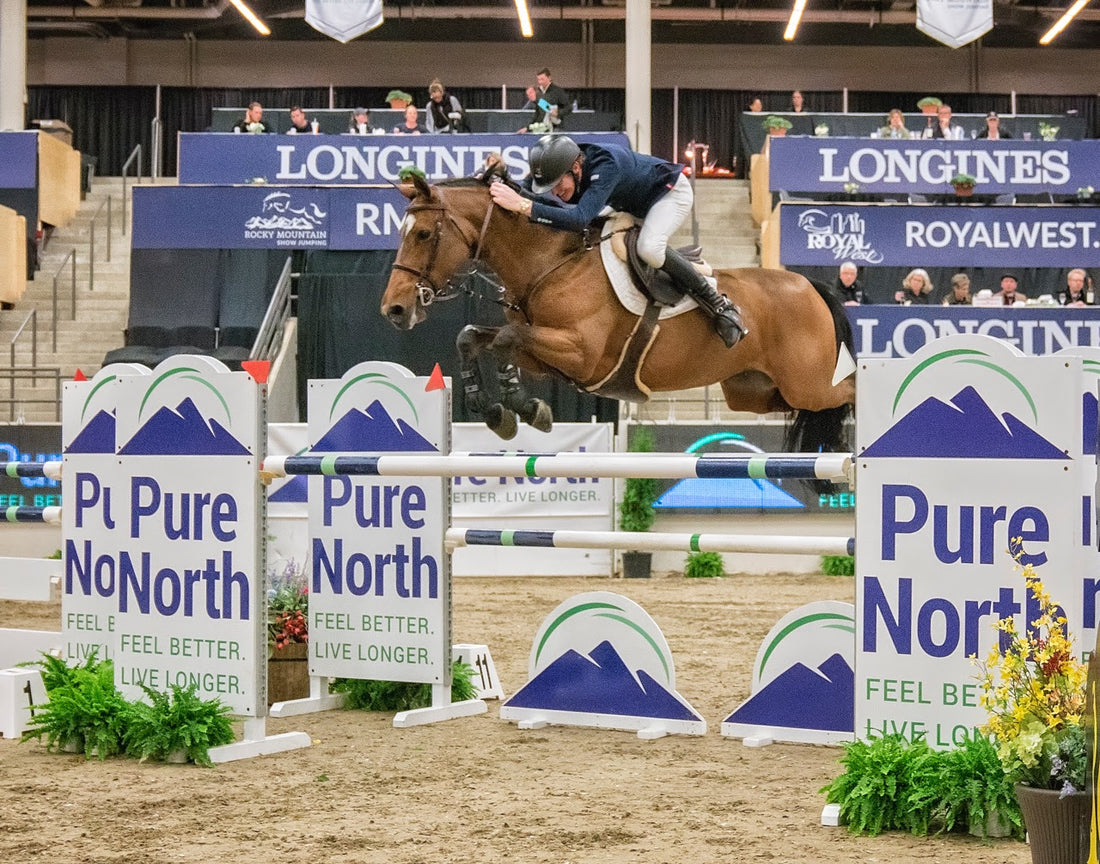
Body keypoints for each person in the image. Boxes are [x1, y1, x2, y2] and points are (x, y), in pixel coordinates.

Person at [487, 135, 746, 348]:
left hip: (667, 195)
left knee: (650, 249)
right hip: (626, 203)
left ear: (576, 168)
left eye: (558, 185)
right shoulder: (559, 165)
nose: (556, 192)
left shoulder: (605, 165)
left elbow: (577, 218)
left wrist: (522, 205)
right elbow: (528, 192)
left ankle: (718, 303)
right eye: (550, 187)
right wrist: (499, 180)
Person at [521, 68, 570, 133]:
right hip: (542, 129)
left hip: (556, 128)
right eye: (538, 79)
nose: (540, 82)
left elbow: (568, 108)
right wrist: (527, 128)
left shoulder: (558, 91)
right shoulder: (539, 93)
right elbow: (537, 113)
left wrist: (558, 113)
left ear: (549, 78)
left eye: (542, 79)